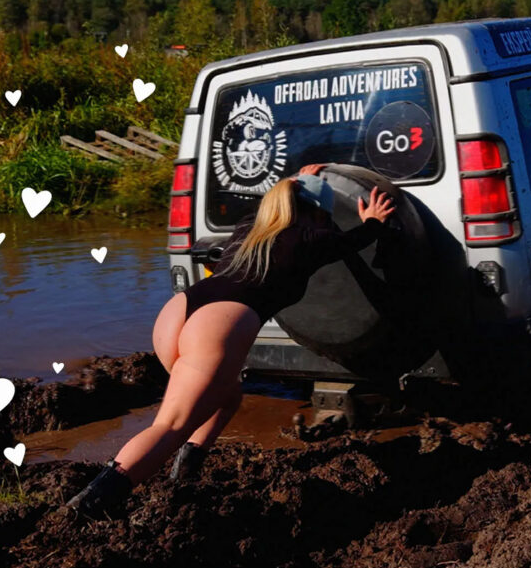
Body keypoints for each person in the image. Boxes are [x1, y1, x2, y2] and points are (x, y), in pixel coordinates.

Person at [62, 163, 396, 519]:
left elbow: (287, 197)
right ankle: (88, 508)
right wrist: (373, 219)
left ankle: (185, 474)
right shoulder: (313, 239)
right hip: (220, 323)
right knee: (170, 426)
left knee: (227, 397)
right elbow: (355, 239)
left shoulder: (250, 226)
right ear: (317, 214)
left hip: (179, 310)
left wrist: (301, 180)